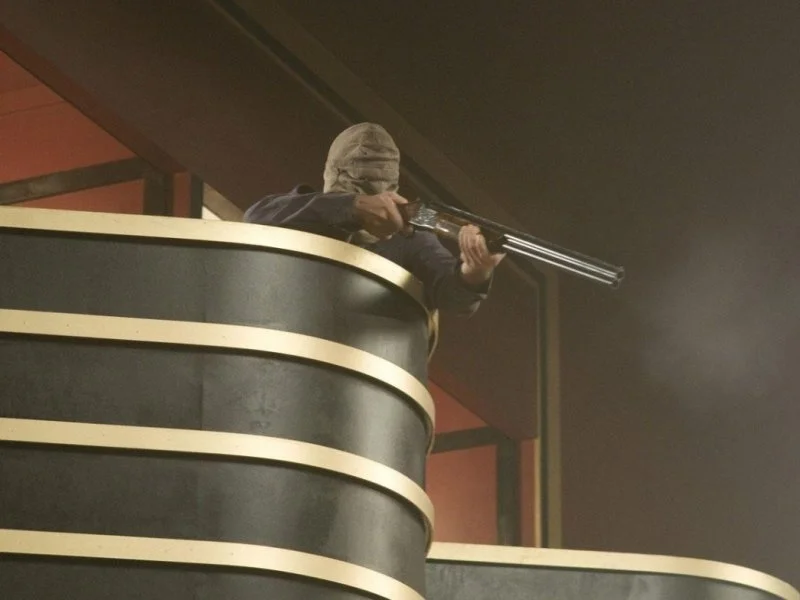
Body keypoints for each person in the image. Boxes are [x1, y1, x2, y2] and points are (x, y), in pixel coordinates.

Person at [243, 123, 504, 316]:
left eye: (385, 186)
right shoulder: (303, 209)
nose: (377, 195)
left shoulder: (411, 236)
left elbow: (452, 295)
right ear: (332, 174)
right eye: (361, 184)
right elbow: (256, 219)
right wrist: (352, 208)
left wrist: (475, 271)